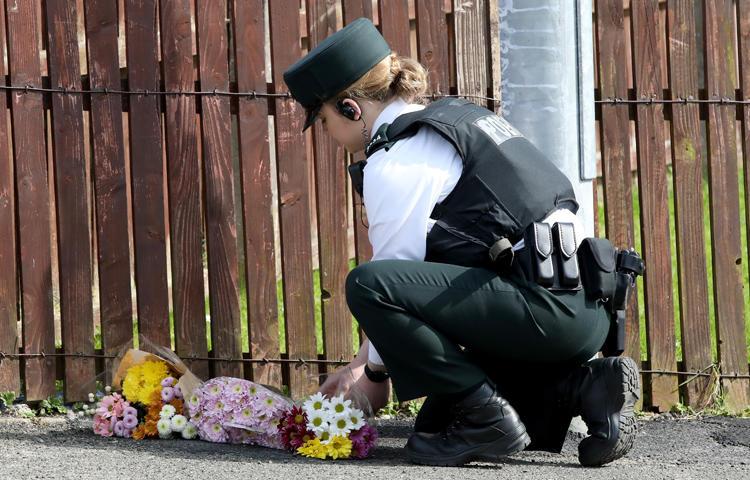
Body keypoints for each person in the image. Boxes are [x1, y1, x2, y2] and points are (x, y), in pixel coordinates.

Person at [283, 18, 640, 467]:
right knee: (435, 425)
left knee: (366, 285)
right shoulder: (462, 118)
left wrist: (371, 371)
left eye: (325, 120)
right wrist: (368, 360)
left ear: (352, 109)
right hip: (585, 312)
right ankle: (588, 387)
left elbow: (390, 279)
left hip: (542, 313)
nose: (328, 136)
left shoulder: (396, 158)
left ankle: (486, 417)